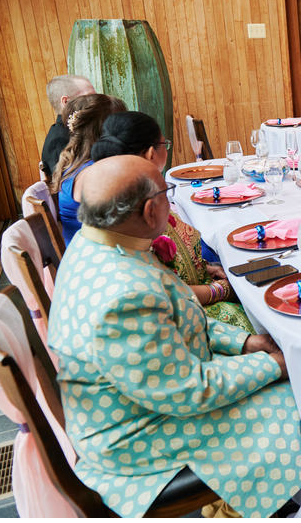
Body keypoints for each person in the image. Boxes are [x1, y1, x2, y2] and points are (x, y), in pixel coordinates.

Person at [48, 155, 301, 518]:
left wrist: (244, 343)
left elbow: (178, 305)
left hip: (146, 400)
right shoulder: (123, 295)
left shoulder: (101, 246)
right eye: (167, 194)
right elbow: (190, 391)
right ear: (151, 209)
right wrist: (271, 365)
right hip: (140, 435)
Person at [89, 112, 255, 334]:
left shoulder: (122, 195)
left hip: (198, 290)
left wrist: (205, 268)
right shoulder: (135, 214)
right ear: (150, 153)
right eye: (164, 143)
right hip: (190, 313)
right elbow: (161, 291)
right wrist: (220, 290)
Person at [52, 93, 127, 244]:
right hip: (91, 254)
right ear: (107, 132)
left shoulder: (76, 162)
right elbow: (119, 226)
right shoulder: (93, 174)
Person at [39, 75, 96, 178]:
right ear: (66, 102)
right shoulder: (59, 140)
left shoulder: (83, 128)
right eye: (89, 96)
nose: (97, 101)